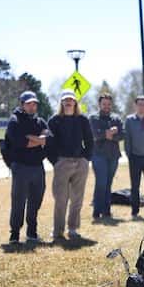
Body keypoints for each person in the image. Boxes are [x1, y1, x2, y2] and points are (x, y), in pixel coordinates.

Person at [47, 91, 93, 240]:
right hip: (62, 163)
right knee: (61, 198)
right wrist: (55, 161)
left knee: (77, 199)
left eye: (71, 100)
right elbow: (49, 144)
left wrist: (86, 158)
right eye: (65, 100)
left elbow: (89, 140)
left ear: (75, 103)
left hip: (80, 163)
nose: (68, 102)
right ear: (61, 103)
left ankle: (73, 228)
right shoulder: (54, 120)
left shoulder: (82, 120)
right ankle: (58, 230)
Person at [4, 91, 48, 243]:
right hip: (21, 167)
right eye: (29, 103)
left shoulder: (40, 121)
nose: (32, 106)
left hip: (38, 167)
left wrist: (32, 138)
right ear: (22, 105)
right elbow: (22, 143)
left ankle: (32, 232)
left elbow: (48, 138)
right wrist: (38, 140)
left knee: (36, 200)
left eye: (34, 103)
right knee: (19, 201)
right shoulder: (14, 121)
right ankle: (14, 234)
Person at [89, 93, 123, 222]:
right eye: (104, 104)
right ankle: (97, 211)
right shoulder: (93, 118)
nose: (106, 106)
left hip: (113, 156)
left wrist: (110, 136)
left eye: (109, 104)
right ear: (99, 104)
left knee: (108, 183)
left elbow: (121, 135)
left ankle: (106, 211)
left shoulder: (116, 119)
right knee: (101, 183)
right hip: (98, 156)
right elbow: (94, 135)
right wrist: (107, 133)